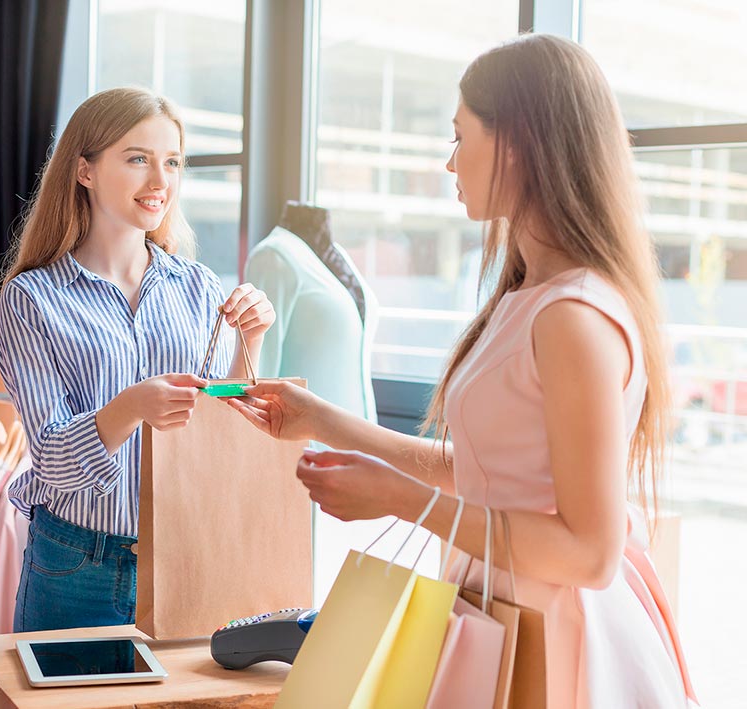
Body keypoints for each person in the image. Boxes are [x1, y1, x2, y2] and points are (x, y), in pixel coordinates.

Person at [228, 35, 697, 708]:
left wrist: (398, 498)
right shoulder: (527, 297)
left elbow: (590, 553)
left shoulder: (573, 315)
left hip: (556, 635)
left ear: (518, 141)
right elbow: (486, 470)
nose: (450, 161)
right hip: (501, 610)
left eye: (459, 136)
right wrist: (321, 421)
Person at [0, 87, 275, 633]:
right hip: (76, 565)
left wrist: (253, 341)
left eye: (172, 162)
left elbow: (222, 437)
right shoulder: (32, 298)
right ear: (85, 171)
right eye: (138, 159)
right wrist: (130, 407)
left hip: (185, 554)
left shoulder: (196, 286)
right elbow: (51, 459)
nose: (160, 182)